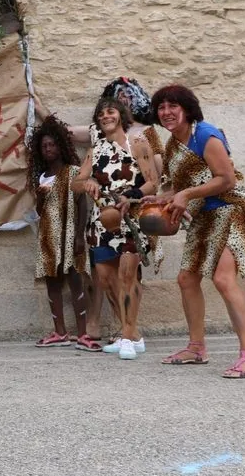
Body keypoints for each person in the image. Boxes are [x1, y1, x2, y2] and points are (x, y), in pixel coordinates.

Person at [147, 85, 245, 378]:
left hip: (230, 210)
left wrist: (186, 194)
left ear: (187, 109)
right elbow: (180, 186)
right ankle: (196, 348)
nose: (166, 112)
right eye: (161, 107)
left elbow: (226, 179)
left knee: (223, 279)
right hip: (203, 217)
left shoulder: (206, 135)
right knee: (187, 279)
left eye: (173, 106)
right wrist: (158, 199)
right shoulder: (173, 145)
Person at [71, 97, 158, 360]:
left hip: (131, 215)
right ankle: (132, 335)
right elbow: (76, 183)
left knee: (128, 275)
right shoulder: (96, 150)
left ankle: (127, 338)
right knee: (106, 278)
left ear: (121, 115)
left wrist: (131, 195)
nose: (105, 116)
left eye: (110, 112)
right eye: (101, 114)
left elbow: (153, 182)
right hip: (102, 219)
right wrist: (89, 183)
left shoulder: (138, 143)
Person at [27, 115, 101, 352]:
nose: (48, 149)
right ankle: (59, 331)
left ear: (61, 146)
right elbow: (39, 212)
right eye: (44, 146)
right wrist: (40, 197)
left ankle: (83, 333)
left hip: (70, 234)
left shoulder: (73, 173)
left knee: (76, 280)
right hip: (49, 236)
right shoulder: (41, 177)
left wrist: (79, 236)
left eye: (52, 144)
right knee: (53, 281)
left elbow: (82, 205)